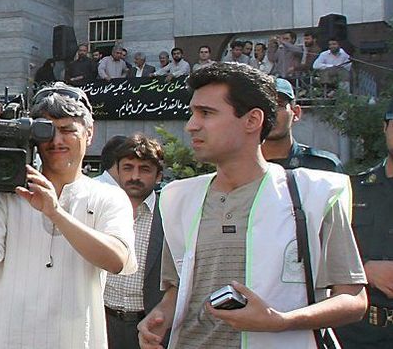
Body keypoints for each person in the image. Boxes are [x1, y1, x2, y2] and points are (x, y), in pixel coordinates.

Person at [138, 62, 367, 349]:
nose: (191, 125)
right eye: (192, 113)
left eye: (206, 113)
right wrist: (161, 315)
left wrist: (282, 320)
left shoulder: (314, 195)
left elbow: (353, 299)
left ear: (252, 120)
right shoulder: (177, 199)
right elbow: (177, 288)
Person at [0, 83, 136, 348]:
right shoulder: (7, 192)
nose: (57, 141)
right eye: (48, 131)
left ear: (89, 133)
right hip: (1, 337)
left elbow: (117, 260)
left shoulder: (107, 196)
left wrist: (55, 212)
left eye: (68, 130)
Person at [334, 101, 393, 348]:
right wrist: (365, 268)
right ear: (385, 127)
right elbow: (321, 253)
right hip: (360, 335)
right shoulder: (350, 189)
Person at [105, 134, 166, 349]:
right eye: (128, 168)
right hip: (103, 321)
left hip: (148, 326)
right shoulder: (101, 210)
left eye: (145, 169)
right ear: (118, 171)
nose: (135, 176)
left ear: (158, 176)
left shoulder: (168, 214)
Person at [261, 78, 343, 173]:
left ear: (295, 113)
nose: (271, 113)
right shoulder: (241, 168)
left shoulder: (324, 166)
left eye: (279, 105)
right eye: (263, 106)